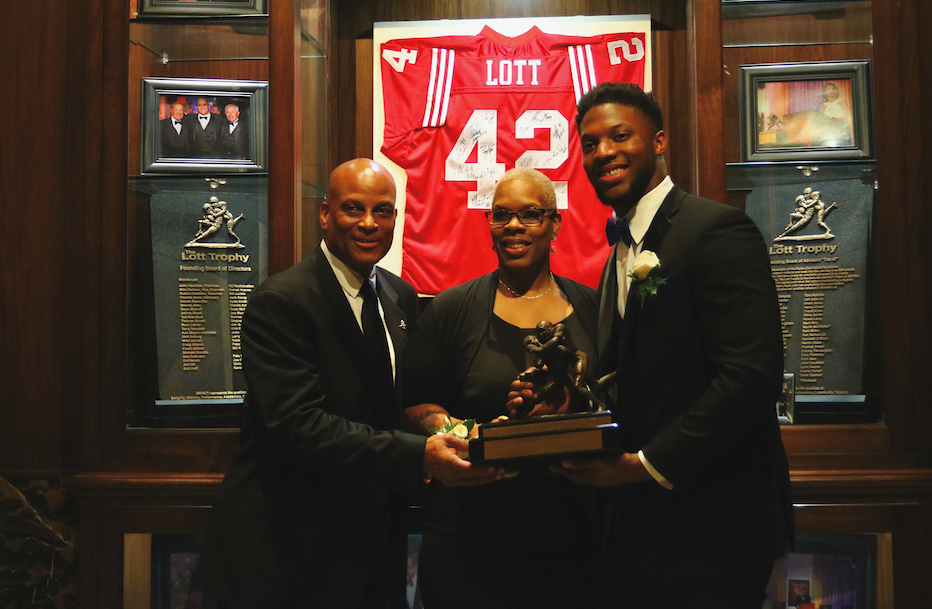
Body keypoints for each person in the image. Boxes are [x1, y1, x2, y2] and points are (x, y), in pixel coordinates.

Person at [513, 83, 792, 608]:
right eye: (590, 144)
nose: (604, 152)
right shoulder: (617, 255)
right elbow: (637, 378)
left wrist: (642, 465)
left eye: (620, 136)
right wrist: (570, 409)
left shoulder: (716, 230)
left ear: (659, 141)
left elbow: (751, 377)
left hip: (715, 530)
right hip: (639, 530)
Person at [198, 159, 502, 609]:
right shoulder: (281, 301)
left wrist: (459, 432)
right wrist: (419, 454)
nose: (369, 223)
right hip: (290, 545)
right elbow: (298, 426)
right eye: (353, 208)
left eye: (383, 211)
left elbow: (398, 401)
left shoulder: (398, 296)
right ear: (325, 214)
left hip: (374, 540)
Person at [401, 167, 601, 609]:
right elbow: (413, 403)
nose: (514, 225)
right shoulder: (451, 310)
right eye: (501, 215)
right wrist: (460, 431)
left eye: (530, 214)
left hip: (574, 536)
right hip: (467, 540)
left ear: (555, 224)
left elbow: (617, 400)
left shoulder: (594, 308)